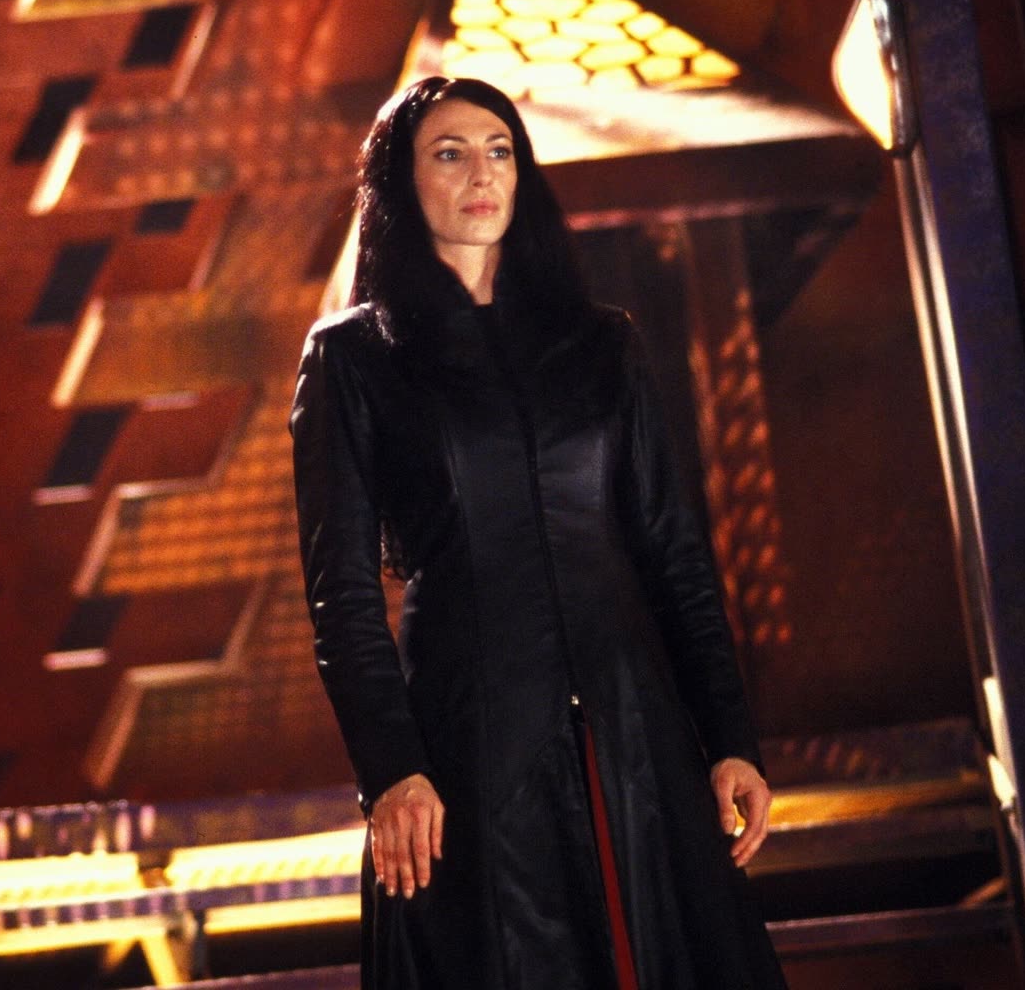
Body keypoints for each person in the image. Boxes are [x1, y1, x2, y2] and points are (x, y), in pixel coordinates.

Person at [289, 76, 788, 989]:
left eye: (500, 150)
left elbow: (674, 555)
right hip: (469, 746)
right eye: (449, 153)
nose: (481, 174)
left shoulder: (603, 345)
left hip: (637, 732)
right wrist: (392, 768)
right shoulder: (353, 360)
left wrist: (729, 736)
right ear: (401, 182)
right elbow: (342, 595)